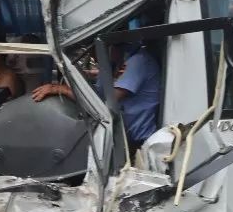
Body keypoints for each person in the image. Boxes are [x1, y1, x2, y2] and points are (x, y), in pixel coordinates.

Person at [32, 42, 162, 154]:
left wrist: (61, 90)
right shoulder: (114, 64)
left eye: (95, 51)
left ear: (110, 46)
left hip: (135, 143)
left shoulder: (138, 62)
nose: (94, 57)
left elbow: (101, 103)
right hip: (119, 138)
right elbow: (99, 90)